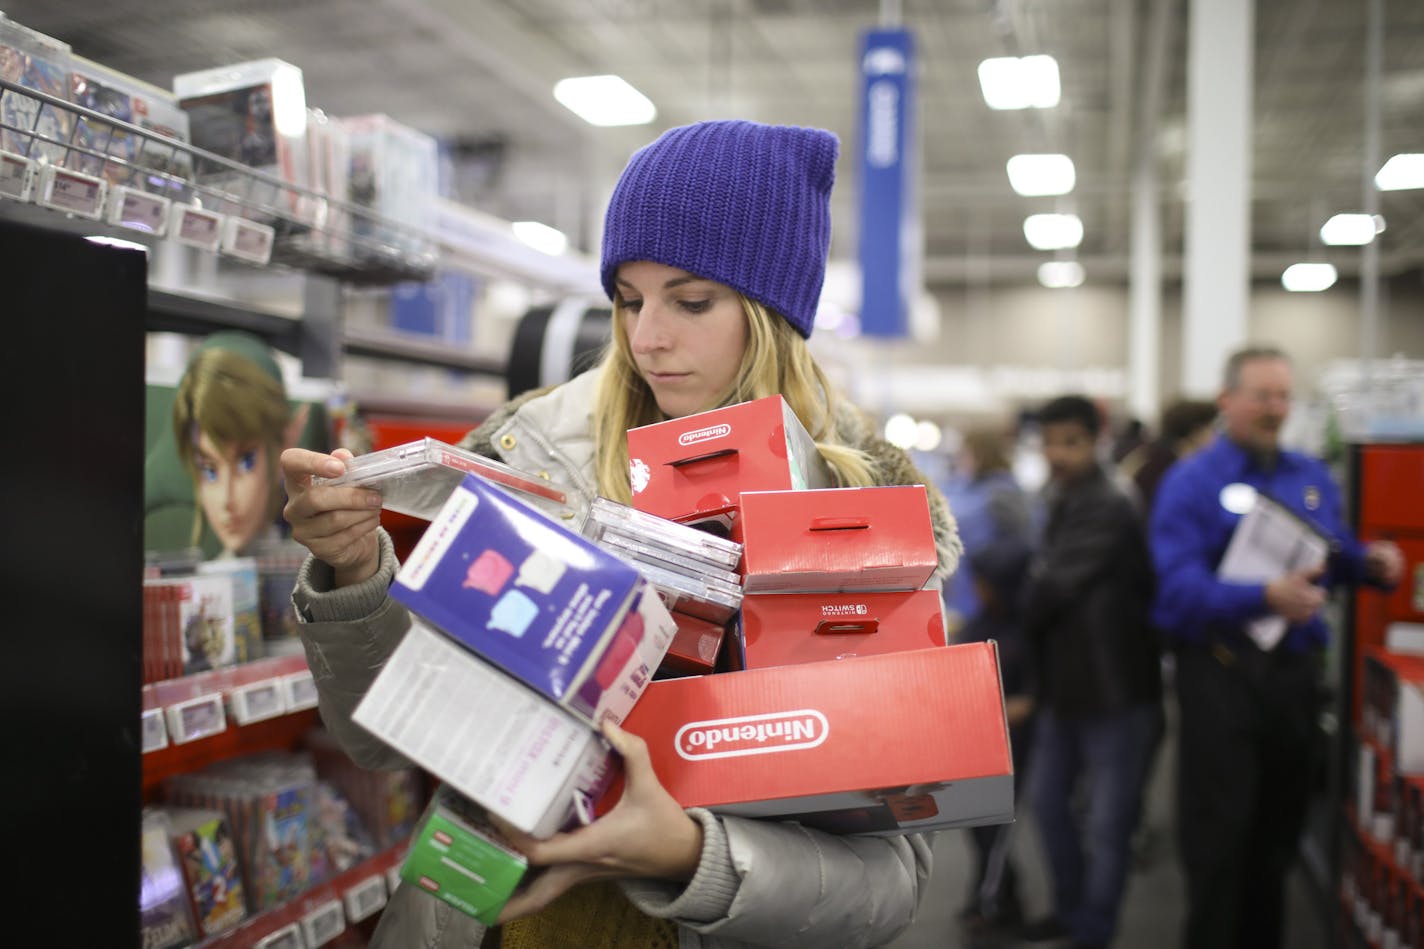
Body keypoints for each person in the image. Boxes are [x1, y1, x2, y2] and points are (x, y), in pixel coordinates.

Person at [279, 119, 963, 949]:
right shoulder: (528, 456)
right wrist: (354, 574)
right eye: (628, 300)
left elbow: (889, 888)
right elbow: (381, 738)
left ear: (773, 312)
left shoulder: (866, 517)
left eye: (692, 300)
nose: (647, 340)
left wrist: (689, 854)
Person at [1149, 346, 1404, 949]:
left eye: (1284, 396)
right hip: (1220, 679)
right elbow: (1177, 589)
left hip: (1291, 681)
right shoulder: (1191, 482)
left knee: (1276, 844)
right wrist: (1263, 595)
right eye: (1262, 395)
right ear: (1227, 400)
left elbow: (1330, 554)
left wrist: (1369, 564)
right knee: (1218, 845)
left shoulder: (1307, 476)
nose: (1275, 408)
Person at [1019, 395, 1160, 949]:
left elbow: (1050, 587)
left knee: (1107, 824)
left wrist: (1025, 591)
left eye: (1070, 442)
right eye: (1050, 442)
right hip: (1065, 685)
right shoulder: (1063, 495)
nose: (1057, 453)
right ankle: (1072, 913)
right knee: (1049, 806)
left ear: (1097, 439)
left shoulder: (1108, 500)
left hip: (1115, 689)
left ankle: (1093, 932)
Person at [954, 535, 1035, 939]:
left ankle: (991, 905)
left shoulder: (1029, 630)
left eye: (985, 581)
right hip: (982, 742)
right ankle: (998, 899)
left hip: (1016, 747)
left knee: (997, 834)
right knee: (980, 827)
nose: (978, 589)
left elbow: (1033, 700)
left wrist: (1000, 709)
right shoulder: (982, 621)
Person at [169, 331, 308, 558]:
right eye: (209, 470)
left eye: (246, 462)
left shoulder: (319, 561)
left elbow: (389, 593)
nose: (227, 500)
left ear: (283, 445)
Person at [940, 424, 1035, 633]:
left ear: (980, 454)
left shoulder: (1002, 492)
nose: (960, 461)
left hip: (987, 598)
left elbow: (1024, 541)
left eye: (965, 454)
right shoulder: (965, 487)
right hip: (964, 592)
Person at [1117, 398, 1218, 515]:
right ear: (1196, 431)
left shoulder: (1149, 454)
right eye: (1212, 428)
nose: (1216, 437)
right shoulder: (1168, 468)